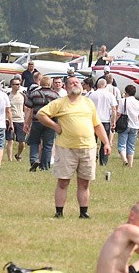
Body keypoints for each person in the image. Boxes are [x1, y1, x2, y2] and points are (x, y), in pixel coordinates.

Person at [37, 76, 110, 219]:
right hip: (66, 148)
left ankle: (84, 212)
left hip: (88, 147)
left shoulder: (88, 103)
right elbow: (41, 114)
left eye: (77, 82)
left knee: (84, 182)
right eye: (71, 83)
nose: (75, 84)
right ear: (66, 87)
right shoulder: (60, 103)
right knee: (63, 181)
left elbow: (97, 124)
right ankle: (59, 212)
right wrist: (55, 126)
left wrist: (106, 142)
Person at [23, 76, 59, 172]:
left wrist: (26, 123)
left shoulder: (34, 94)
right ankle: (45, 166)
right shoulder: (55, 95)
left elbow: (29, 109)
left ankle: (34, 160)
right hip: (50, 122)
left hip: (36, 121)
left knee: (34, 142)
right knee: (48, 144)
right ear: (50, 84)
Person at [88, 78, 118, 166]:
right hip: (105, 120)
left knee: (92, 142)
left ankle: (92, 159)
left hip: (93, 120)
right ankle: (103, 161)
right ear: (105, 85)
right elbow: (114, 109)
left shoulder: (91, 94)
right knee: (105, 142)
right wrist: (114, 121)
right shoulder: (109, 95)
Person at [116, 84, 139, 168]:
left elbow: (119, 113)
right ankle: (130, 165)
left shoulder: (123, 101)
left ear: (126, 92)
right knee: (131, 146)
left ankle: (125, 160)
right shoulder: (138, 103)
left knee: (122, 145)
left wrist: (113, 122)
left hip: (125, 124)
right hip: (135, 125)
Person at [6, 77, 26, 162]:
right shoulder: (7, 95)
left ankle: (18, 155)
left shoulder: (23, 95)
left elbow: (26, 107)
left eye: (19, 84)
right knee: (10, 140)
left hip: (20, 120)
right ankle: (9, 159)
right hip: (10, 120)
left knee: (22, 142)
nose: (18, 86)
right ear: (12, 85)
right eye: (16, 84)